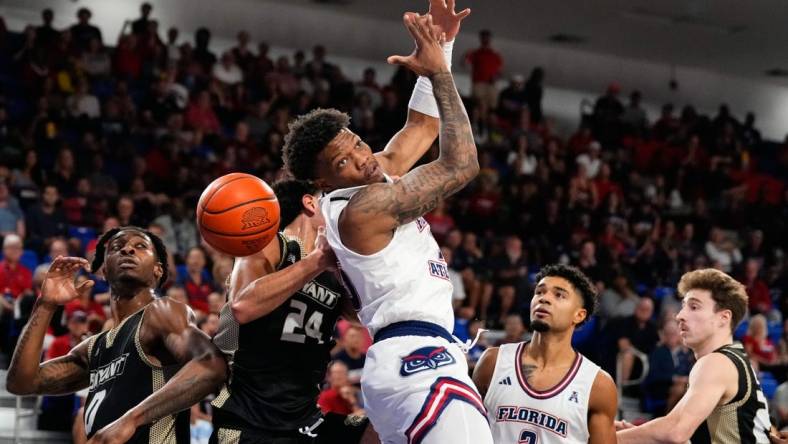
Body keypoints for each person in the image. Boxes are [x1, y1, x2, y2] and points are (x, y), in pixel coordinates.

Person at [282, 4, 493, 443]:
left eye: (358, 143)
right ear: (322, 181)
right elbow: (462, 163)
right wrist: (439, 74)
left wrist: (443, 44)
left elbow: (419, 126)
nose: (364, 159)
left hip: (402, 361)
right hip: (419, 360)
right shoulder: (364, 208)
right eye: (346, 159)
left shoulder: (364, 182)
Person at [6, 227, 227, 443]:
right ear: (103, 270)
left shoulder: (161, 312)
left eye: (140, 246)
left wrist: (131, 420)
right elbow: (22, 383)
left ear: (157, 270)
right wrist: (45, 305)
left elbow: (211, 365)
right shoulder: (94, 348)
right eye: (117, 247)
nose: (127, 250)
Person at [210, 179, 365, 443]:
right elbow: (243, 306)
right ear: (310, 202)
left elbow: (362, 317)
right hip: (250, 419)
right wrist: (316, 261)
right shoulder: (271, 245)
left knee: (385, 429)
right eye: (333, 200)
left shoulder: (333, 267)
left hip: (305, 419)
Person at [616, 268, 780, 443]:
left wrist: (605, 439)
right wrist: (640, 433)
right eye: (683, 307)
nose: (680, 316)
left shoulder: (716, 362)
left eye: (694, 307)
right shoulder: (732, 360)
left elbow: (675, 431)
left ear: (723, 318)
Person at [472, 264, 618, 443]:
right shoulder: (493, 362)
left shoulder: (598, 385)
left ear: (579, 315)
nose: (544, 299)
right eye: (540, 292)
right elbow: (464, 431)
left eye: (559, 295)